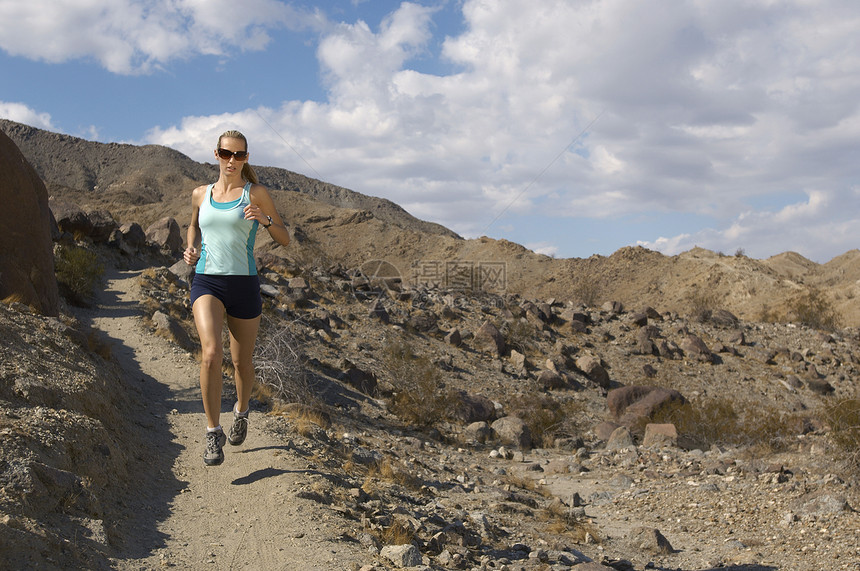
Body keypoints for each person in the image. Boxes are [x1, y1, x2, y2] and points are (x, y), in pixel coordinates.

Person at [183, 130, 290, 466]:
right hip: (207, 282)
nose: (232, 161)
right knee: (211, 353)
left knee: (242, 362)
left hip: (243, 284)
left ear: (246, 157)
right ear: (216, 154)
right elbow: (193, 226)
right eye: (226, 154)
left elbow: (284, 238)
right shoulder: (200, 194)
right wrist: (190, 247)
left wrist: (266, 219)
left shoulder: (255, 193)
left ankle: (242, 411)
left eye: (239, 155)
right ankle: (213, 433)